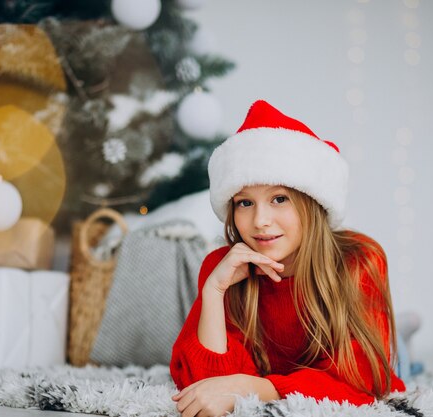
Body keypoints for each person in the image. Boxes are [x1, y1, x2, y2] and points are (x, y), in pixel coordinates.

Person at [170, 100, 406, 417]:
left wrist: (253, 388)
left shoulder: (359, 260)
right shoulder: (223, 267)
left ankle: (404, 336)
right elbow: (205, 389)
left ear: (312, 201)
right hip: (304, 368)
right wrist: (214, 293)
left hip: (368, 340)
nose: (260, 221)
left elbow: (362, 381)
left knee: (399, 356)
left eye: (279, 198)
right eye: (244, 203)